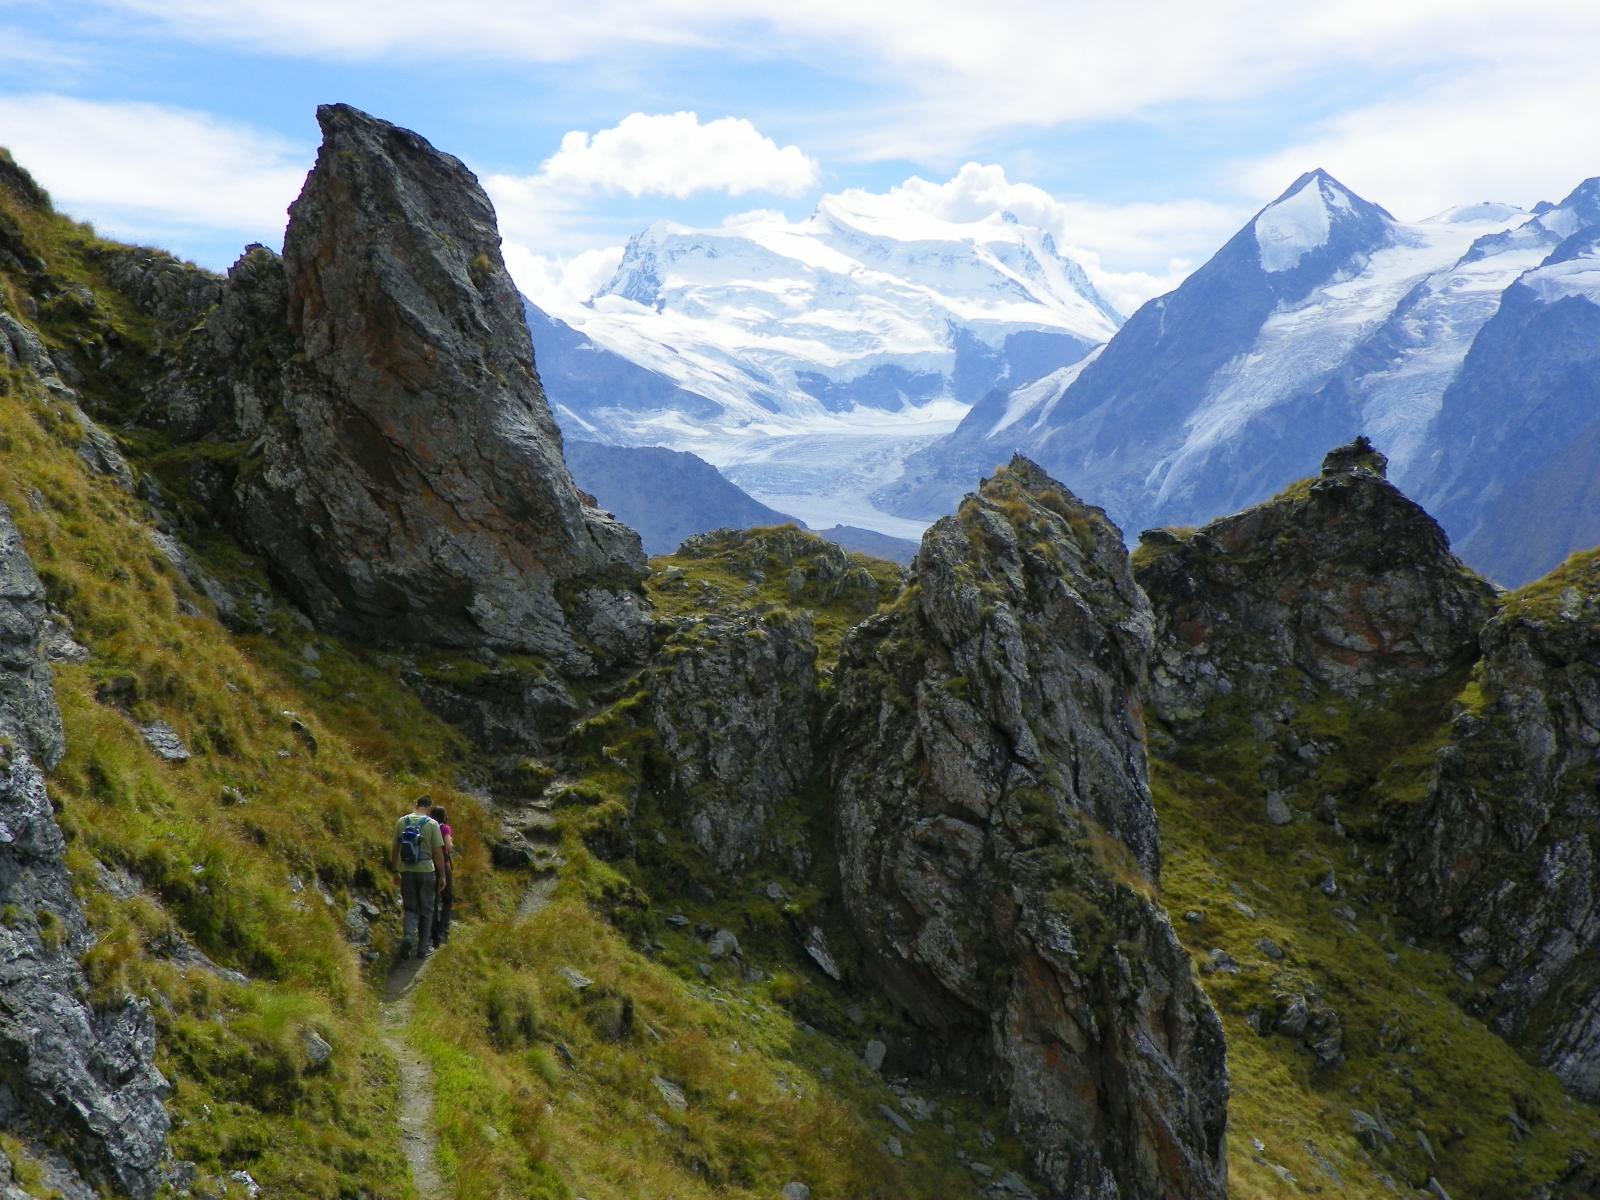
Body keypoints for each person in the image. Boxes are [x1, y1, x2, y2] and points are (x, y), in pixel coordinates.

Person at [391, 794, 445, 959]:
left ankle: (408, 936)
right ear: (429, 807)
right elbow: (438, 852)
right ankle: (422, 948)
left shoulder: (402, 821)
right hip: (426, 870)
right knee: (427, 908)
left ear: (416, 805)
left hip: (406, 870)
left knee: (410, 907)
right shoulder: (432, 824)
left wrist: (395, 870)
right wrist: (442, 875)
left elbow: (395, 849)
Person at [430, 804, 454, 948]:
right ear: (444, 816)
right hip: (443, 865)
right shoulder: (445, 827)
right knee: (447, 898)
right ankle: (443, 930)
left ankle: (432, 933)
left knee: (433, 900)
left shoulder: (428, 826)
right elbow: (449, 846)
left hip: (428, 865)